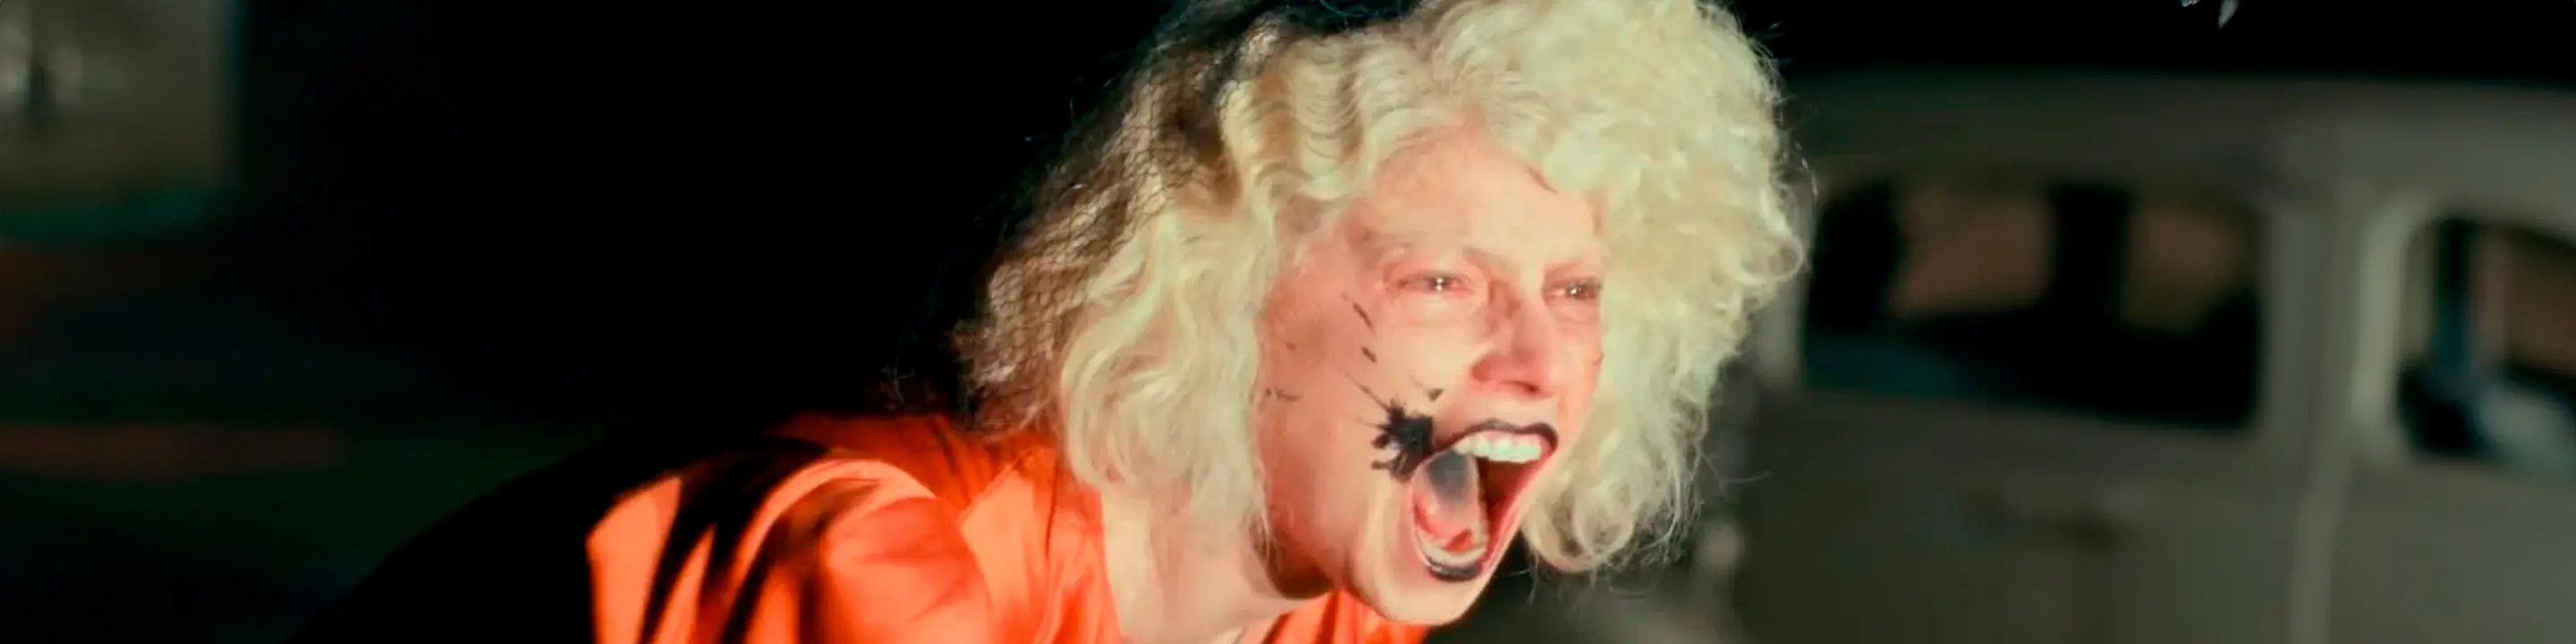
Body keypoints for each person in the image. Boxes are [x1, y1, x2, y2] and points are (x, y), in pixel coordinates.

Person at [305, 0, 1798, 641]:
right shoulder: (874, 568)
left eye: (1577, 293)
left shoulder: (1330, 606)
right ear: (1225, 282)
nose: (1539, 364)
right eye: (1443, 282)